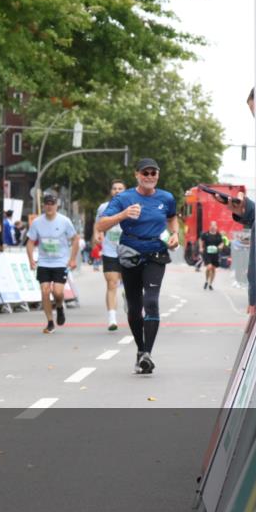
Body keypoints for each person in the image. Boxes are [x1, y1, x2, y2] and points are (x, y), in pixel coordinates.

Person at [96, 157, 179, 375]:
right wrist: (123, 214)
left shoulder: (167, 198)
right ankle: (140, 349)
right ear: (137, 175)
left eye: (153, 173)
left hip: (155, 254)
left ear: (158, 175)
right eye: (145, 173)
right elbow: (101, 224)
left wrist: (175, 235)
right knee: (134, 306)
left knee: (151, 301)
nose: (150, 177)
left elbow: (172, 219)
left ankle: (147, 354)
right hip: (130, 254)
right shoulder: (124, 198)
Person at [26, 192, 79, 334]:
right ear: (43, 205)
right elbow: (30, 242)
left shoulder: (64, 221)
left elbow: (75, 239)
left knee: (58, 292)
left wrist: (72, 259)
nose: (49, 207)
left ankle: (60, 307)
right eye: (47, 204)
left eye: (52, 204)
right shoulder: (37, 222)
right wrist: (31, 259)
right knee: (44, 291)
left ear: (57, 206)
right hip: (43, 262)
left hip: (60, 262)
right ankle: (50, 322)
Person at [95, 179, 127, 331]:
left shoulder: (132, 207)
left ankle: (128, 298)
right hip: (110, 251)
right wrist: (98, 234)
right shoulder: (103, 208)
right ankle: (112, 319)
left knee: (130, 285)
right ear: (111, 191)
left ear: (125, 191)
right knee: (111, 283)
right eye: (114, 188)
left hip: (128, 251)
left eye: (120, 188)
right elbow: (98, 225)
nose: (117, 191)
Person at [199, 220, 223, 290]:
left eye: (214, 225)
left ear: (216, 227)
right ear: (210, 226)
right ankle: (206, 280)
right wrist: (201, 247)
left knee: (213, 269)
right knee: (209, 267)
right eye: (212, 225)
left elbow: (221, 243)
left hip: (215, 254)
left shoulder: (218, 235)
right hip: (207, 253)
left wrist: (220, 246)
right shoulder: (206, 234)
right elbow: (201, 240)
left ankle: (210, 284)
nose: (213, 227)